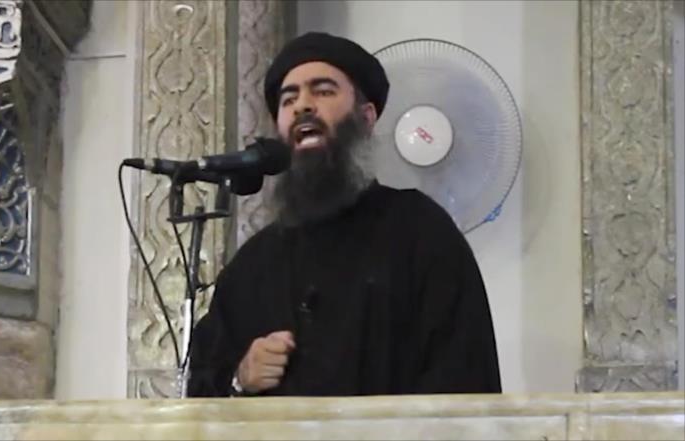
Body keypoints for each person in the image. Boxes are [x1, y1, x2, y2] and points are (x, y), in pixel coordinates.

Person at [187, 32, 501, 397]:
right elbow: (201, 394)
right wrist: (240, 378)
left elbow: (465, 380)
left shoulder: (421, 233)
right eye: (289, 99)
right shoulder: (253, 265)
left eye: (323, 91)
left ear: (365, 117)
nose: (303, 105)